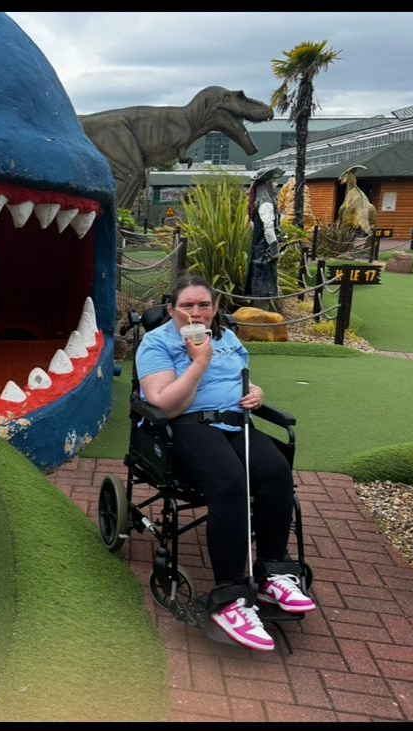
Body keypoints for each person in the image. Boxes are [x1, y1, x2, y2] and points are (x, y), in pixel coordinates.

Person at [135, 274, 316, 652]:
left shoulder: (227, 337)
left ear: (215, 309)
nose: (196, 312)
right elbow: (165, 405)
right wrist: (198, 363)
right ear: (172, 310)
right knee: (231, 482)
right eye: (188, 305)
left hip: (235, 423)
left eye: (204, 305)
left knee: (276, 472)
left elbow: (240, 381)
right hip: (186, 426)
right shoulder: (156, 344)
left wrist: (255, 392)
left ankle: (272, 571)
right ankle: (230, 596)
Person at [243, 167, 283, 303]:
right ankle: (262, 309)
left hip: (258, 249)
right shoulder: (265, 203)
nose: (274, 185)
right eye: (272, 182)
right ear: (266, 185)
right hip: (263, 250)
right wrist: (274, 247)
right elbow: (268, 228)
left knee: (259, 275)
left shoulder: (258, 202)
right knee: (263, 279)